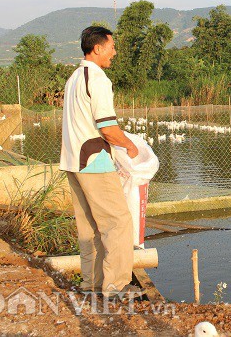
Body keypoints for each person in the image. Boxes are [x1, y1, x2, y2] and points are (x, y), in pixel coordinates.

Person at [60, 26, 141, 299]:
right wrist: (130, 147)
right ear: (97, 48)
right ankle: (116, 287)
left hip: (73, 161)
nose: (114, 52)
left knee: (89, 228)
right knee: (117, 223)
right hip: (94, 162)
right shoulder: (98, 79)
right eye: (112, 47)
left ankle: (92, 285)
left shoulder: (74, 77)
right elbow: (107, 128)